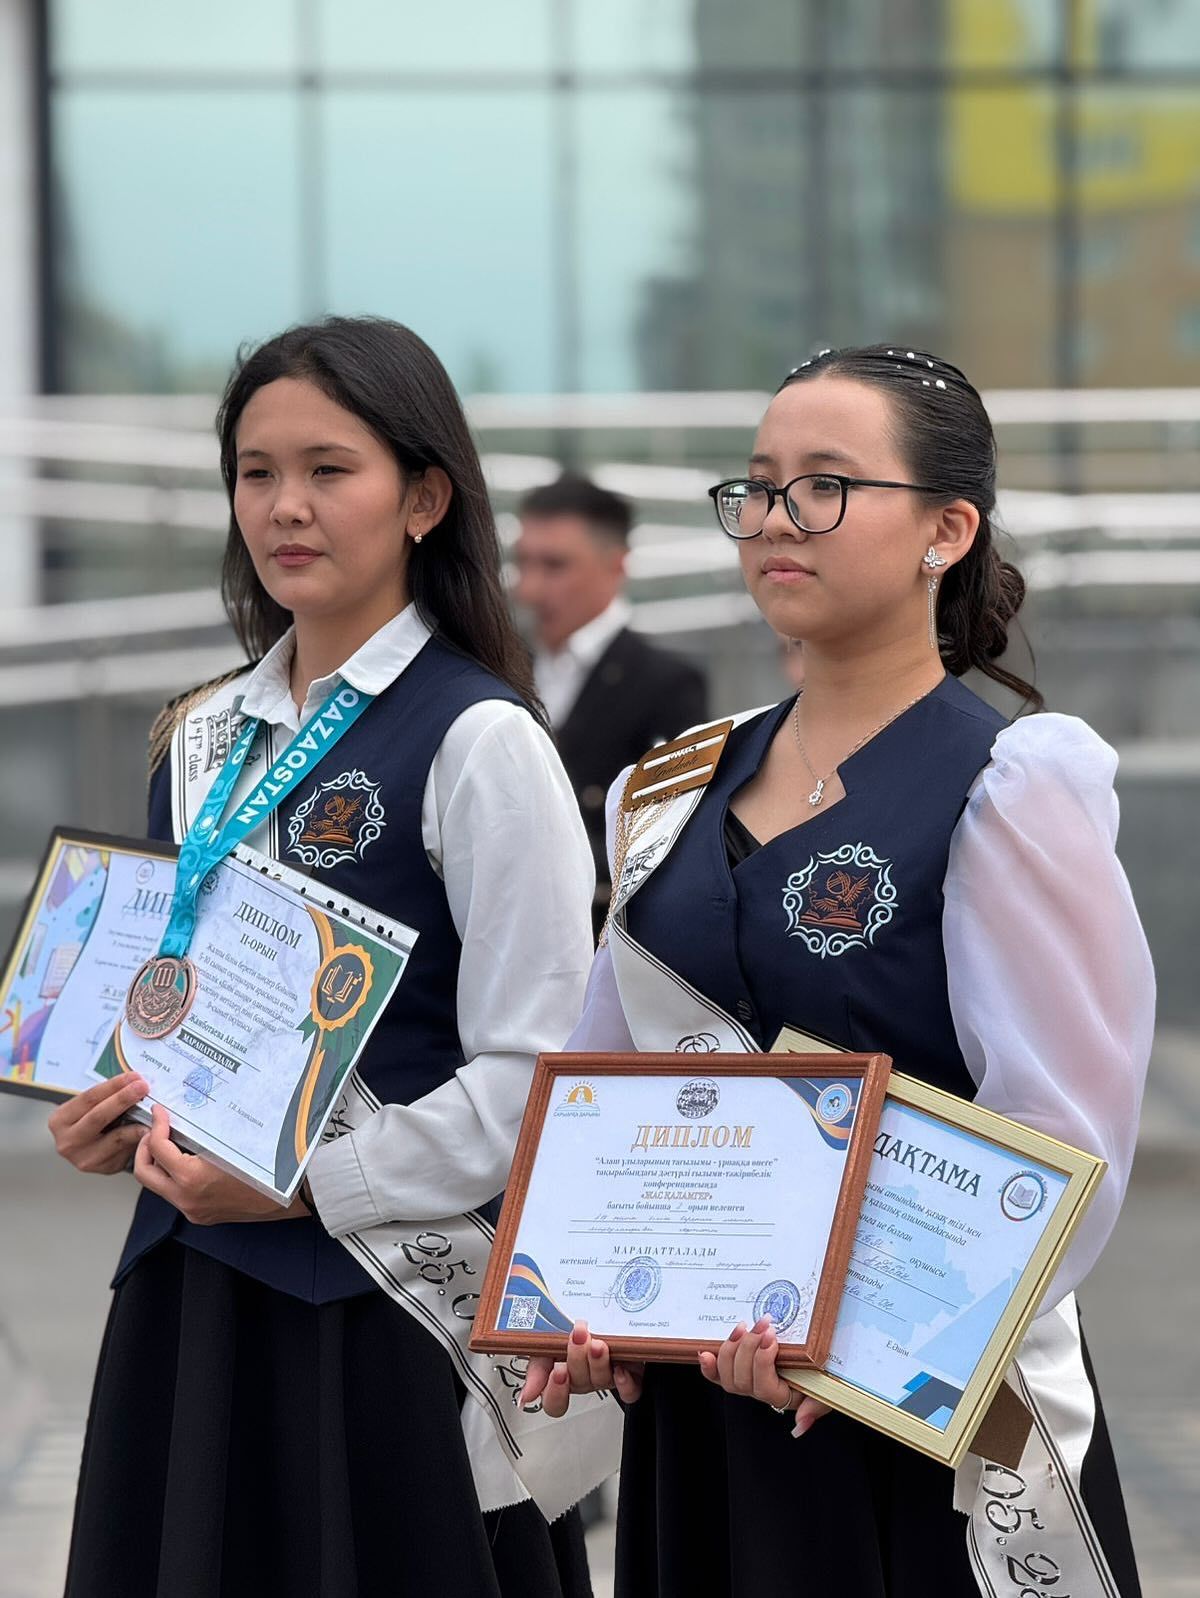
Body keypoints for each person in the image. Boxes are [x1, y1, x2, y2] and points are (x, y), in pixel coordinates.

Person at [521, 345, 1152, 1596]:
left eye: (825, 485)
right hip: (703, 1400)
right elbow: (606, 1079)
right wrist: (582, 1306)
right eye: (758, 486)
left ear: (946, 530)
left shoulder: (1010, 783)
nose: (775, 519)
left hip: (909, 1411)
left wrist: (862, 1336)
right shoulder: (668, 788)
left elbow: (1063, 1141)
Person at [49, 317, 618, 1598]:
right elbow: (170, 1004)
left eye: (328, 469)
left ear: (424, 498)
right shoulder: (201, 738)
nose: (284, 506)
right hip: (189, 1297)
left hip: (381, 1319)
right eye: (256, 472)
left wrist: (313, 1184)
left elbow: (536, 1077)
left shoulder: (481, 739)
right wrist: (111, 1113)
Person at [513, 474, 708, 936]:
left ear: (616, 565)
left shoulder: (667, 685)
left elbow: (670, 839)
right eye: (523, 563)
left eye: (555, 565)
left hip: (602, 937)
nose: (529, 589)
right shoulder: (506, 667)